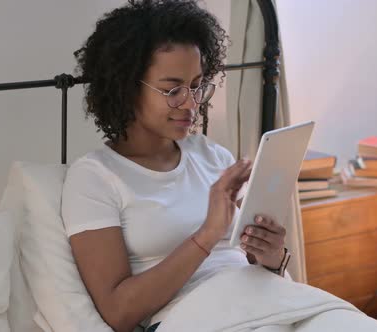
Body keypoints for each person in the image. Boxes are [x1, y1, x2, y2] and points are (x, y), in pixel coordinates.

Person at [61, 1, 288, 331]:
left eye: (196, 86)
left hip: (266, 301)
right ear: (126, 87)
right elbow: (118, 312)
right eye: (172, 90)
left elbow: (250, 259)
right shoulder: (94, 178)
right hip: (199, 319)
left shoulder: (212, 155)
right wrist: (207, 236)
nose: (191, 103)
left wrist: (271, 256)